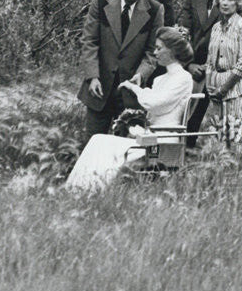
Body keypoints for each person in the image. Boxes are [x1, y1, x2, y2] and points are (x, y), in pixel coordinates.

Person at [66, 26, 194, 189]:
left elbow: (154, 104)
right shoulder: (161, 79)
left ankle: (93, 188)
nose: (155, 53)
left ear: (173, 51)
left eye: (159, 48)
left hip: (164, 141)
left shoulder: (183, 78)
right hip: (150, 137)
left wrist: (134, 88)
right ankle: (80, 187)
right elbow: (152, 103)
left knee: (106, 146)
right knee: (98, 139)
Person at [77, 0, 164, 138]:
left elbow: (152, 51)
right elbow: (89, 41)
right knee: (92, 143)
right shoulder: (101, 0)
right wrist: (92, 76)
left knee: (127, 149)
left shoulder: (155, 10)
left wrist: (141, 75)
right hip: (99, 88)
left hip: (130, 93)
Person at [179, 0, 242, 144]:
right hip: (194, 71)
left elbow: (238, 38)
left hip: (224, 72)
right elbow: (182, 32)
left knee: (227, 127)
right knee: (187, 124)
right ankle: (184, 163)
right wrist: (188, 64)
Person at [206, 0, 242, 156]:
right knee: (218, 139)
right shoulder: (215, 28)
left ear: (238, 3)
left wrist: (224, 88)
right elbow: (210, 61)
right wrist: (210, 86)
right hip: (216, 89)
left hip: (237, 88)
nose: (225, 3)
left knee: (239, 139)